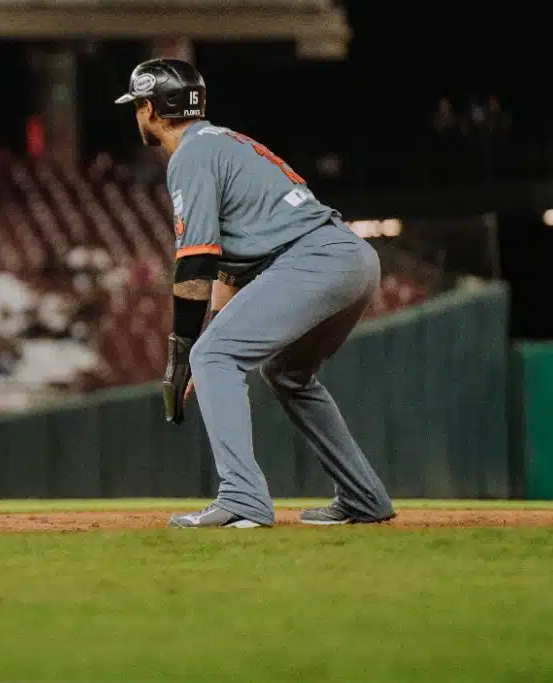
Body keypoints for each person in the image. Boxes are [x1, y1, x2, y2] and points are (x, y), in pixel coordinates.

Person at [115, 58, 394, 529]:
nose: (137, 113)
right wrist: (208, 345)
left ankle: (242, 497)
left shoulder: (190, 155)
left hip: (314, 259)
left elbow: (196, 261)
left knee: (215, 356)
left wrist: (186, 351)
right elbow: (227, 274)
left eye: (139, 104)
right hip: (351, 259)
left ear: (153, 109)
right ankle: (364, 497)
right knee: (287, 373)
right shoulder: (219, 143)